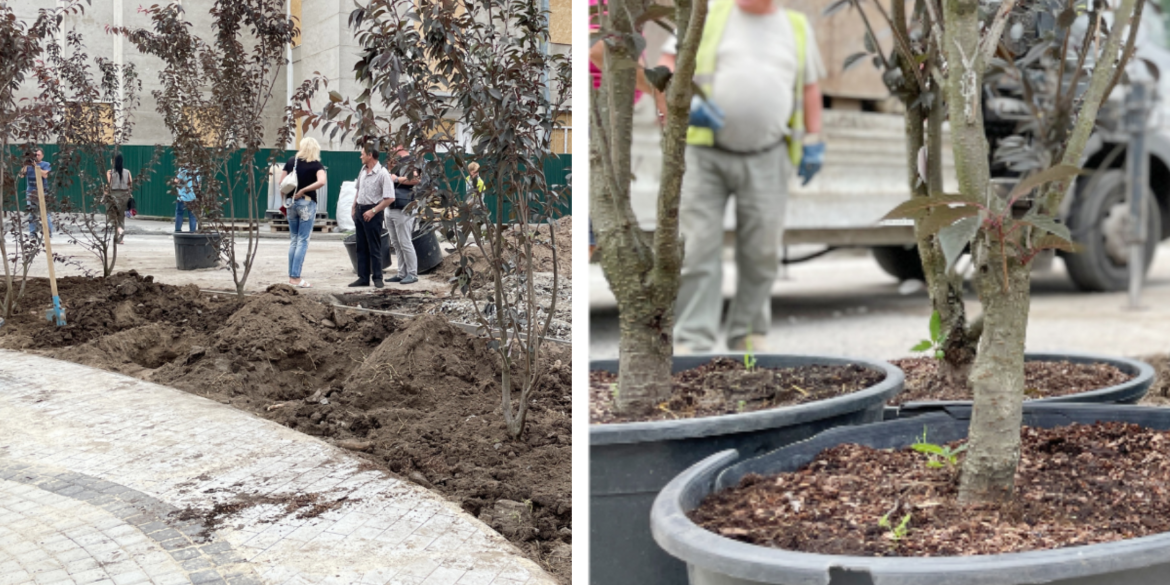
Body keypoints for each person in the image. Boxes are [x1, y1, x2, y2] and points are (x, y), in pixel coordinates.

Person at [662, 0, 827, 353]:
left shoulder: (796, 28)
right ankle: (694, 341)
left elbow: (810, 88)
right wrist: (684, 103)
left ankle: (749, 336)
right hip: (704, 152)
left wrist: (814, 140)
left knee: (762, 252)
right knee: (697, 248)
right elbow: (667, 66)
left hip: (768, 154)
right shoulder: (706, 13)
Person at [279, 137, 327, 288]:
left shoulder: (291, 161)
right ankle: (296, 278)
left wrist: (284, 203)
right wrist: (305, 190)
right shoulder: (316, 165)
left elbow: (281, 183)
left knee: (294, 239)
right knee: (303, 240)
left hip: (290, 203)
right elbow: (322, 182)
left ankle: (291, 276)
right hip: (306, 203)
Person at [350, 144, 395, 288]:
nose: (360, 156)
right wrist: (354, 207)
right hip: (360, 210)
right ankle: (363, 278)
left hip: (373, 212)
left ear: (370, 155)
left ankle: (377, 278)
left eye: (362, 153)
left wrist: (373, 211)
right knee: (361, 246)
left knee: (374, 247)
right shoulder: (363, 170)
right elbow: (358, 189)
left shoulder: (383, 174)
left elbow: (389, 198)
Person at [387, 145, 420, 285]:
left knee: (405, 241)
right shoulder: (396, 162)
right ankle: (401, 273)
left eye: (394, 145)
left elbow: (416, 180)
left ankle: (412, 273)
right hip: (391, 206)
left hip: (403, 207)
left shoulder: (410, 161)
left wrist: (396, 179)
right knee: (396, 242)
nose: (391, 148)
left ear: (401, 146)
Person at [20, 148, 53, 236]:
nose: (36, 157)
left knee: (45, 213)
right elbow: (21, 175)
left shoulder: (46, 164)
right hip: (31, 191)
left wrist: (35, 167)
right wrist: (25, 165)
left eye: (38, 155)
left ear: (42, 156)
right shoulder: (28, 165)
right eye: (35, 155)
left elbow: (45, 175)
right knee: (32, 213)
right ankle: (32, 233)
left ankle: (48, 233)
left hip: (43, 191)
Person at [106, 153, 132, 244]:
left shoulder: (110, 172)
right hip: (124, 196)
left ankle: (119, 230)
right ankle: (120, 239)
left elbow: (109, 185)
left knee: (112, 217)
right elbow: (130, 184)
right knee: (121, 218)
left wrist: (105, 194)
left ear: (113, 161)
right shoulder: (127, 172)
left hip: (113, 195)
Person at [174, 166, 198, 233]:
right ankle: (192, 231)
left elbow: (176, 181)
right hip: (192, 197)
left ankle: (178, 230)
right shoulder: (196, 170)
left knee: (179, 213)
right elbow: (198, 184)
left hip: (182, 196)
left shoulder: (182, 169)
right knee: (192, 215)